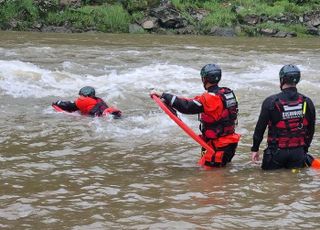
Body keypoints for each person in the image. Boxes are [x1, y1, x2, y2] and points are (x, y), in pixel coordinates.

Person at [150, 64, 240, 168]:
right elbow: (192, 102)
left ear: (204, 79)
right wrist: (167, 100)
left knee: (211, 179)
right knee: (222, 171)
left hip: (217, 146)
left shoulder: (210, 98)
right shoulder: (227, 93)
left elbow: (187, 107)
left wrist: (163, 94)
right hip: (229, 143)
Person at [251, 64, 316, 170]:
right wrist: (305, 148)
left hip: (276, 153)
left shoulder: (271, 102)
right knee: (294, 181)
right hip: (298, 153)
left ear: (282, 79)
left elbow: (260, 128)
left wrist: (255, 149)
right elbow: (311, 129)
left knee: (270, 182)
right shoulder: (307, 101)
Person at [52, 86, 121, 118]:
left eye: (84, 96)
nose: (82, 98)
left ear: (91, 96)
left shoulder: (99, 103)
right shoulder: (81, 102)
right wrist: (59, 103)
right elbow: (69, 105)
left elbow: (105, 111)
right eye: (81, 96)